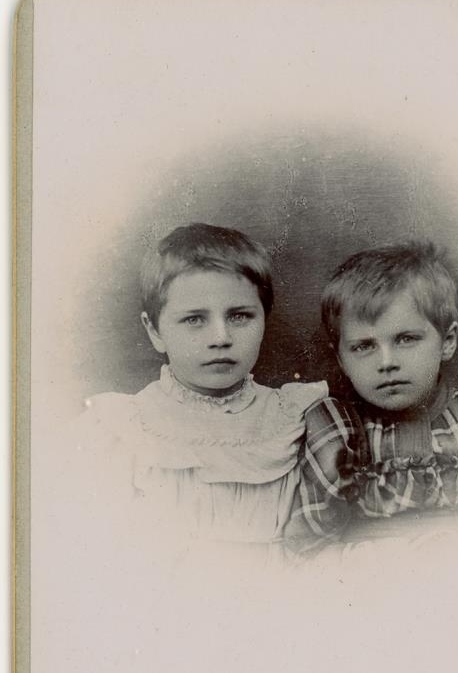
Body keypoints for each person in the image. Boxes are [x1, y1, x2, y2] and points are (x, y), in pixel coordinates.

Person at [69, 222, 327, 557]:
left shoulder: (295, 417)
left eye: (239, 316)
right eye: (194, 319)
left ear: (265, 318)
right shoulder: (122, 429)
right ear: (155, 331)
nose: (220, 338)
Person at [287, 242, 458, 549]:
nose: (387, 362)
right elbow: (308, 548)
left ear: (448, 341)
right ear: (341, 360)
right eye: (364, 346)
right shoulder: (342, 437)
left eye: (406, 339)